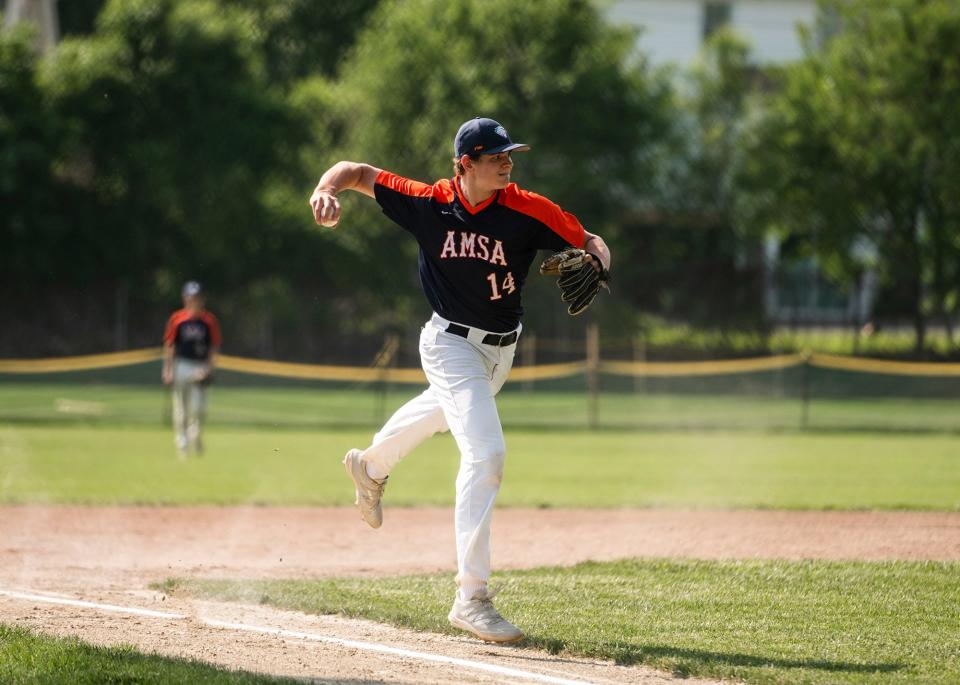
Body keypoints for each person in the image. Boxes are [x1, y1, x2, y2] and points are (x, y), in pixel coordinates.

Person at [309, 117, 611, 643]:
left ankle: (371, 465)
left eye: (509, 154)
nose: (508, 162)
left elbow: (591, 241)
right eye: (497, 156)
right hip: (448, 342)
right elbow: (355, 171)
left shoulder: (527, 209)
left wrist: (598, 262)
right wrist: (325, 189)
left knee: (441, 411)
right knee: (486, 454)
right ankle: (471, 597)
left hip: (500, 353)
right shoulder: (429, 202)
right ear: (465, 163)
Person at [162, 281, 221, 459]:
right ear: (185, 298)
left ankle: (195, 434)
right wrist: (168, 369)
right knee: (181, 407)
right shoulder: (177, 319)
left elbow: (214, 347)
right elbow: (170, 345)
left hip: (199, 366)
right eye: (190, 297)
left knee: (198, 408)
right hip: (181, 364)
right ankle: (182, 443)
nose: (193, 300)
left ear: (201, 299)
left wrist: (208, 369)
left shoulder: (209, 321)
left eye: (196, 297)